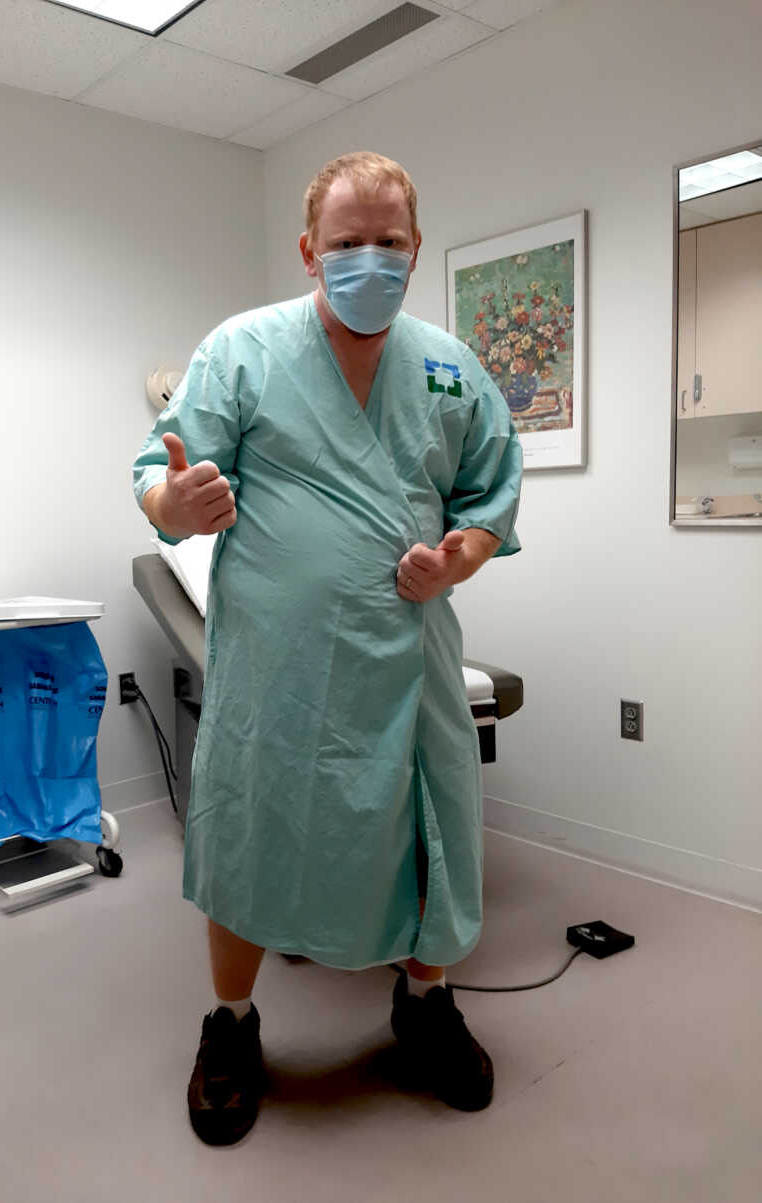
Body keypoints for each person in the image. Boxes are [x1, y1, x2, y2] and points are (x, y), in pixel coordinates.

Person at [133, 151, 522, 1146]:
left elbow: (488, 497)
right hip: (279, 667)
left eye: (387, 242)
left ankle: (424, 1005)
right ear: (310, 250)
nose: (368, 260)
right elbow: (158, 477)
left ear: (415, 248)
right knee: (253, 828)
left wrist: (459, 560)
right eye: (347, 243)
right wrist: (172, 501)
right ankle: (230, 1028)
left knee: (428, 823)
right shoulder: (243, 351)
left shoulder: (447, 366)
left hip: (410, 656)